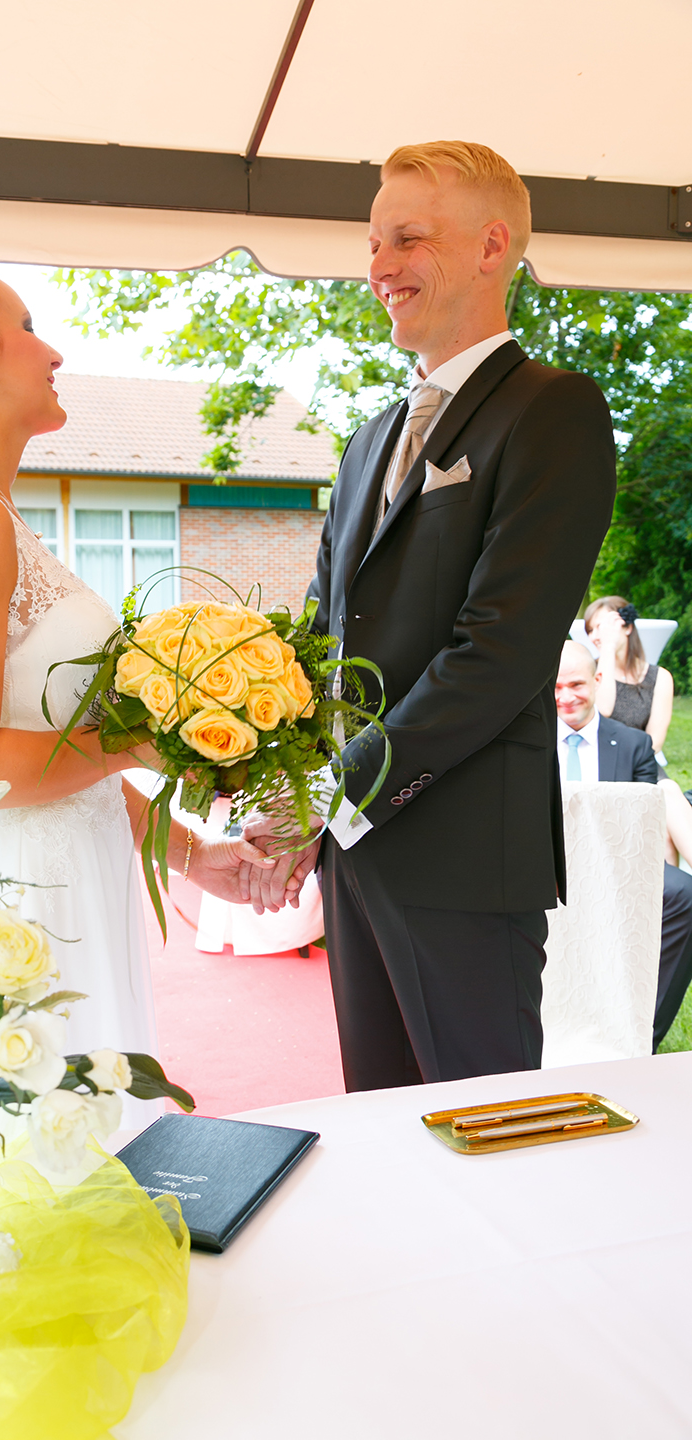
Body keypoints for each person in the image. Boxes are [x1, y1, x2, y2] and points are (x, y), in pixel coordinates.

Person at [0, 257, 273, 1119]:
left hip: (65, 879)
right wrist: (141, 740)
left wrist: (195, 857)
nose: (54, 353)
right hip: (27, 905)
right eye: (30, 327)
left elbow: (52, 754)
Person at [244, 141, 617, 1091]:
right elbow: (324, 637)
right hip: (353, 857)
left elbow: (499, 653)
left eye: (408, 238)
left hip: (464, 862)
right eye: (374, 243)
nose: (379, 266)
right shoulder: (370, 439)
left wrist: (332, 795)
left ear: (492, 247)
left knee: (489, 1132)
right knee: (380, 1122)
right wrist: (277, 775)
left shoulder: (553, 410)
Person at [556, 641, 692, 1049]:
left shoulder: (633, 744)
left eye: (576, 685)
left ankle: (640, 1036)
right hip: (548, 866)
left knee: (683, 893)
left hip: (618, 866)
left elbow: (643, 827)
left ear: (598, 680)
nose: (566, 697)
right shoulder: (531, 744)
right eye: (556, 687)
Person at [584, 597, 674, 758]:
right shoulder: (586, 671)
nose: (594, 636)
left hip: (640, 759)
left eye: (602, 627)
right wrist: (608, 647)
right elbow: (603, 709)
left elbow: (655, 742)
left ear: (627, 628)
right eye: (590, 630)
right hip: (596, 759)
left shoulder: (660, 677)